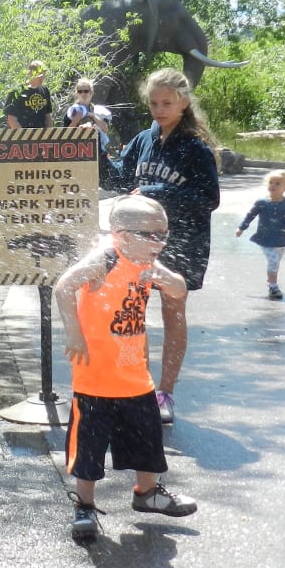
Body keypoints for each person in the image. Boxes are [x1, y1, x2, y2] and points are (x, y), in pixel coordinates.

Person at [54, 195, 198, 543]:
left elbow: (179, 290)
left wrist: (163, 275)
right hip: (95, 379)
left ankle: (146, 492)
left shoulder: (147, 262)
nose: (159, 243)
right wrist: (74, 331)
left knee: (147, 440)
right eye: (151, 236)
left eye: (163, 235)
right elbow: (63, 286)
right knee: (88, 449)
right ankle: (85, 506)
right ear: (120, 235)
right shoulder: (104, 260)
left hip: (135, 377)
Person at [98, 68, 219, 423]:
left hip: (183, 242)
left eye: (167, 102)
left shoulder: (195, 148)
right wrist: (98, 148)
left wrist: (154, 192)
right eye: (153, 103)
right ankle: (136, 386)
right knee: (131, 313)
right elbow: (117, 178)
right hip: (138, 243)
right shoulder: (143, 140)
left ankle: (165, 392)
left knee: (172, 312)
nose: (159, 109)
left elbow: (209, 197)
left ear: (183, 102)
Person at [235, 169, 285, 300]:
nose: (273, 186)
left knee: (275, 263)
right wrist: (241, 228)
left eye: (277, 184)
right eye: (271, 182)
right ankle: (273, 286)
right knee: (273, 261)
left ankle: (271, 279)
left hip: (282, 239)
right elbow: (250, 215)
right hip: (265, 238)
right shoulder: (262, 202)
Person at [3, 60, 54, 129]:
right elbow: (11, 119)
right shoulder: (17, 91)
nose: (42, 78)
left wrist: (48, 136)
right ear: (31, 73)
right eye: (40, 74)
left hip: (41, 136)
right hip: (21, 136)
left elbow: (48, 116)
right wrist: (25, 137)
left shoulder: (44, 90)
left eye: (43, 74)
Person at [65, 77, 112, 150]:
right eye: (80, 91)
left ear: (91, 93)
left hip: (97, 150)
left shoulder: (98, 110)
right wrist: (75, 120)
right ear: (77, 93)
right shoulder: (71, 111)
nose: (83, 94)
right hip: (76, 150)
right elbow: (65, 135)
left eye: (86, 91)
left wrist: (92, 116)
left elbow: (105, 129)